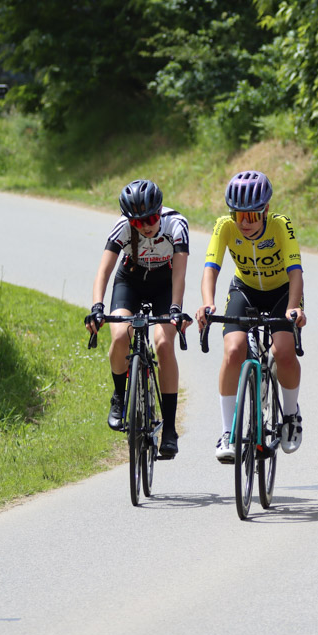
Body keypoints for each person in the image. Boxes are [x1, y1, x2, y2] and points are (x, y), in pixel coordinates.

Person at [196, 171, 306, 463]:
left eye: (252, 216)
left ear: (266, 210)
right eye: (238, 215)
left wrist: (293, 308)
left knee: (283, 351)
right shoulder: (224, 226)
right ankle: (227, 432)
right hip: (244, 290)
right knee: (234, 350)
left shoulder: (281, 225)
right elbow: (210, 268)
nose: (244, 223)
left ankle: (291, 415)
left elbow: (296, 273)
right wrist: (208, 303)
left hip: (282, 292)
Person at [85, 179, 190, 458]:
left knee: (164, 344)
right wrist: (97, 306)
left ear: (160, 211)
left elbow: (180, 273)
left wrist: (175, 308)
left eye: (151, 219)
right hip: (130, 281)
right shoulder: (122, 227)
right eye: (137, 222)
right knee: (120, 335)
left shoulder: (176, 225)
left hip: (165, 285)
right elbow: (104, 271)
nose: (145, 226)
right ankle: (119, 396)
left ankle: (170, 428)